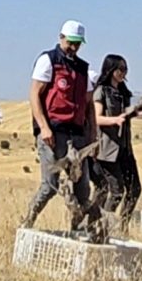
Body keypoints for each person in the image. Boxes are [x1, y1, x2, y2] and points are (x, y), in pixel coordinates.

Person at [22, 20, 96, 229]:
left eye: (78, 44)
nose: (73, 47)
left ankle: (80, 230)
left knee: (82, 188)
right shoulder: (48, 61)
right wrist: (43, 127)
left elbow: (89, 104)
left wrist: (93, 135)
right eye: (70, 42)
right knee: (50, 185)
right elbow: (35, 94)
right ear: (61, 38)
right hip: (53, 132)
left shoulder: (83, 69)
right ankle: (28, 221)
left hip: (78, 135)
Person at [92, 54, 142, 228]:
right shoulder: (101, 91)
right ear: (110, 69)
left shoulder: (123, 93)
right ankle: (101, 226)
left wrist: (138, 110)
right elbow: (96, 118)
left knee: (135, 189)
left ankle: (123, 226)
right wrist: (114, 120)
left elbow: (126, 114)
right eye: (120, 68)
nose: (123, 72)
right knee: (116, 192)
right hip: (107, 150)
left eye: (125, 69)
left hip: (125, 149)